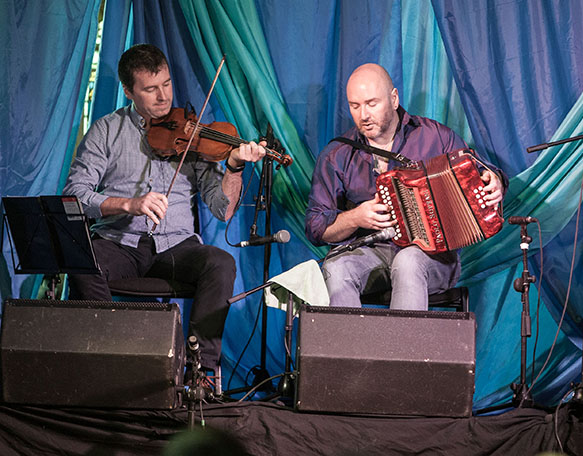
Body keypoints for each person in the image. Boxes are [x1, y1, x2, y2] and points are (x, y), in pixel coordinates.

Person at [64, 44, 266, 371]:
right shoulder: (106, 130)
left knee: (221, 263)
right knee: (81, 260)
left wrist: (234, 167)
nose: (163, 97)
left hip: (176, 247)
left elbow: (222, 209)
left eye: (167, 84)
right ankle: (110, 359)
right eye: (150, 89)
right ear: (128, 91)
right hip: (119, 244)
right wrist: (130, 204)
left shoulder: (195, 132)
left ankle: (201, 371)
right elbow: (74, 195)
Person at [306, 63, 506, 310]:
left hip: (433, 257)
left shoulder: (435, 137)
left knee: (408, 260)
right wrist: (356, 218)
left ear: (394, 98)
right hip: (372, 252)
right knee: (335, 268)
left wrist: (493, 180)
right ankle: (352, 349)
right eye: (355, 106)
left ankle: (402, 350)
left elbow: (480, 172)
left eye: (372, 103)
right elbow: (316, 229)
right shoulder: (337, 154)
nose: (364, 115)